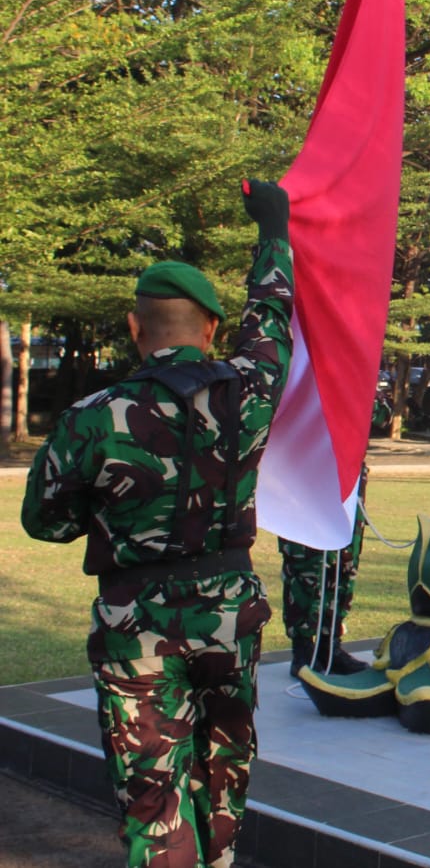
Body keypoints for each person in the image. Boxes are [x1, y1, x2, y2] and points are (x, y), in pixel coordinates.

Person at [20, 180, 292, 867]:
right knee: (223, 772)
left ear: (137, 328)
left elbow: (44, 523)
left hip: (136, 625)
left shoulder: (93, 414)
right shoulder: (251, 392)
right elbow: (272, 316)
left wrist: (111, 511)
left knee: (154, 795)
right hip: (229, 619)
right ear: (210, 328)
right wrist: (273, 231)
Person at [279, 465, 369, 678]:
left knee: (344, 562)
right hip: (305, 469)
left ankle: (330, 645)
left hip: (347, 467)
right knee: (306, 565)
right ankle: (303, 649)